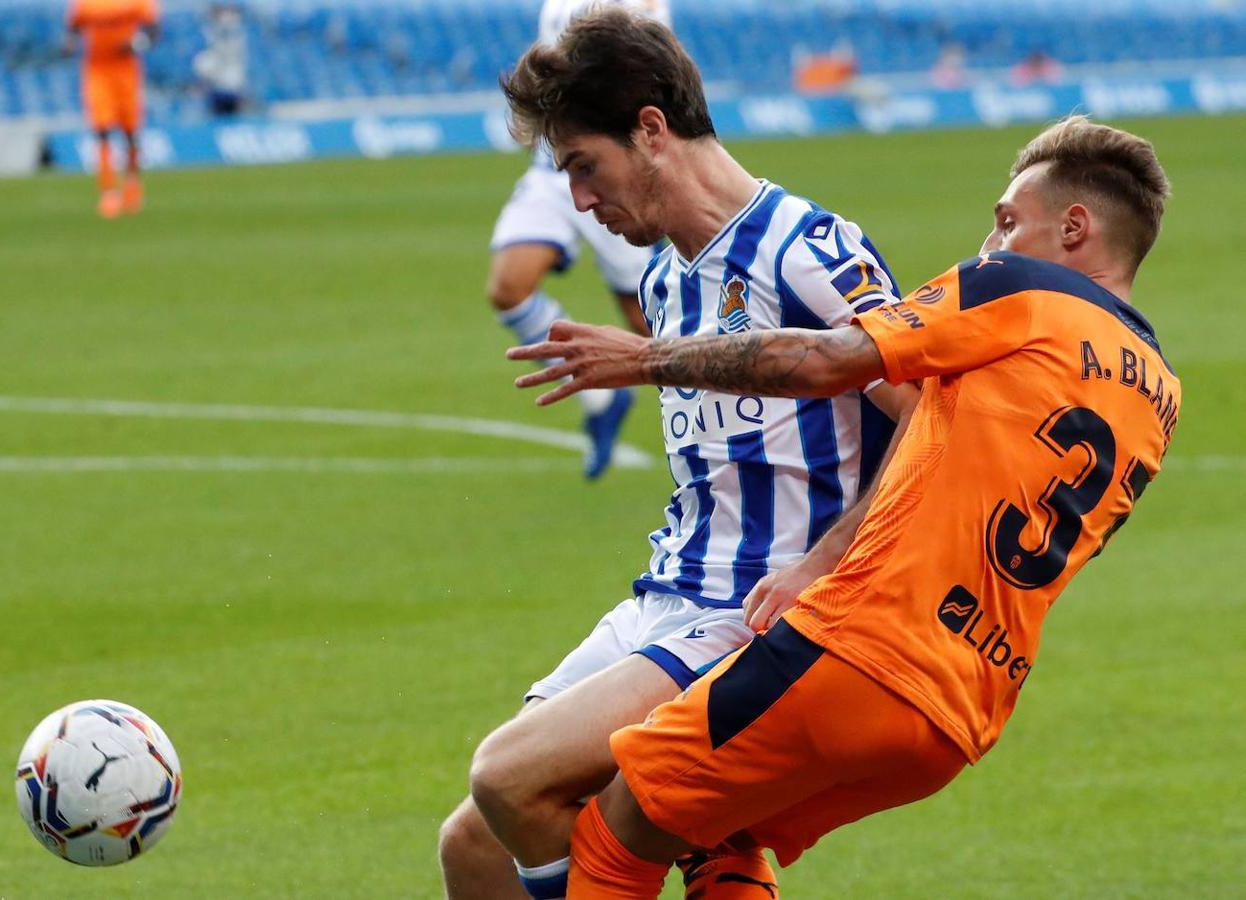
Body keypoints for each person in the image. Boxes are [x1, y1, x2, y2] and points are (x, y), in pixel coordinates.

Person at [508, 114, 1178, 897]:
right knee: (719, 837)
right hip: (960, 713)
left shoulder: (1015, 289)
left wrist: (646, 358)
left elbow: (825, 358)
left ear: (1075, 226)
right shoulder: (1159, 393)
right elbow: (937, 456)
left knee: (617, 827)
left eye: (1006, 221)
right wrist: (823, 557)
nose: (990, 242)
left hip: (856, 655)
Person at [441, 8, 918, 900]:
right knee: (473, 843)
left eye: (585, 166)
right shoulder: (664, 277)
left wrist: (819, 567)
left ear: (651, 129)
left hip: (762, 608)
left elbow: (931, 427)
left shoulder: (809, 252)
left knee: (509, 776)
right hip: (668, 596)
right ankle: (721, 854)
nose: (579, 202)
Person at [487, 0, 670, 480]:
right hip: (552, 167)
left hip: (613, 168)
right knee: (509, 287)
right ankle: (599, 396)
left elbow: (653, 72)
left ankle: (724, 430)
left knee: (656, 328)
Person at [65, 0, 159, 218]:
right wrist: (70, 43)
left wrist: (136, 44)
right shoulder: (85, 4)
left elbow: (153, 32)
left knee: (131, 134)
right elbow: (74, 27)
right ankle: (108, 192)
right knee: (101, 130)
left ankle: (132, 183)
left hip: (126, 72)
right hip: (97, 72)